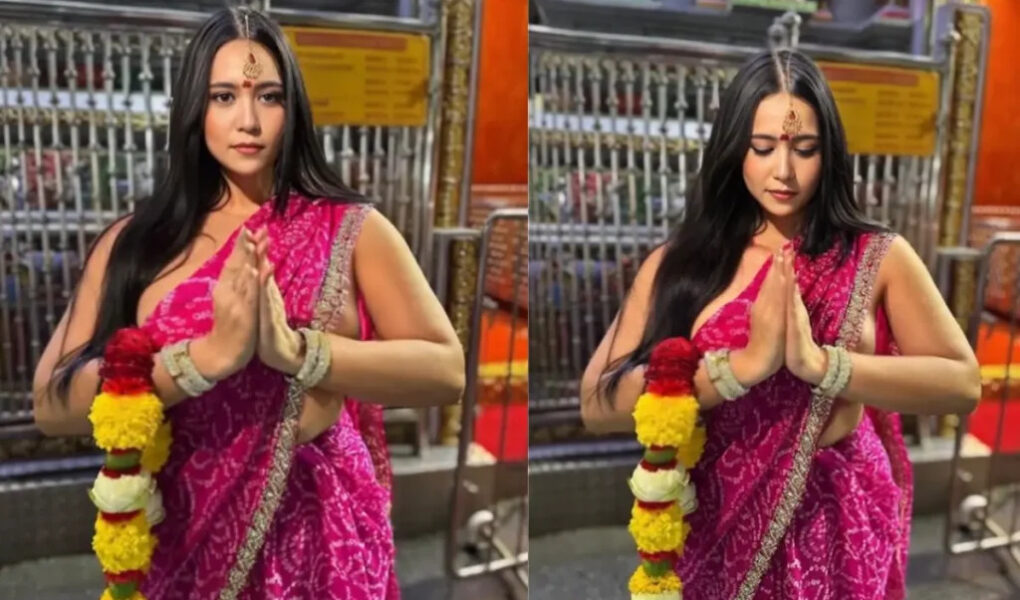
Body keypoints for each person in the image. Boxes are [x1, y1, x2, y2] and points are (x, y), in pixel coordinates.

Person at [31, 8, 464, 599]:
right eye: (224, 96)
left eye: (269, 96)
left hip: (323, 540)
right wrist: (203, 360)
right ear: (194, 108)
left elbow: (446, 370)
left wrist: (298, 352)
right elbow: (52, 404)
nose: (249, 120)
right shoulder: (138, 244)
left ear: (294, 108)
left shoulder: (351, 228)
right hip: (184, 535)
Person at [579, 48, 981, 599]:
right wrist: (740, 368)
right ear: (733, 150)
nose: (784, 171)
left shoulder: (876, 256)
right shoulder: (683, 265)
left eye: (805, 149)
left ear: (829, 153)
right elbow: (597, 404)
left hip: (838, 525)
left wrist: (823, 365)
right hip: (716, 520)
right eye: (763, 147)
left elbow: (962, 383)